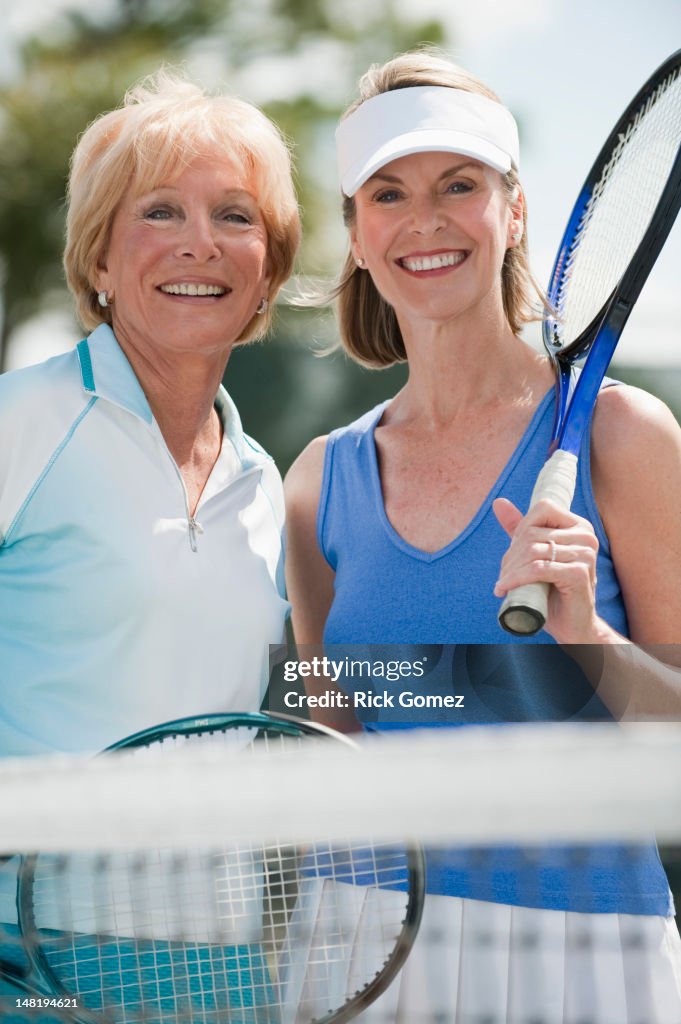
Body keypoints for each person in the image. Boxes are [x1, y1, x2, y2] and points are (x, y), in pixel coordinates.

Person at [285, 50, 681, 1022]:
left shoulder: (629, 439)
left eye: (459, 184)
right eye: (389, 193)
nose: (425, 220)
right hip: (363, 936)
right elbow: (330, 716)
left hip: (587, 943)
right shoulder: (316, 482)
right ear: (358, 236)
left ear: (512, 212)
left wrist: (588, 634)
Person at [0, 70, 299, 1014]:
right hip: (30, 951)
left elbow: (305, 692)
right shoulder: (24, 421)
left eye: (235, 215)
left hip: (222, 955)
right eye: (159, 211)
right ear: (96, 258)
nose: (200, 243)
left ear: (268, 271)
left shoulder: (266, 483)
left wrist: (514, 664)